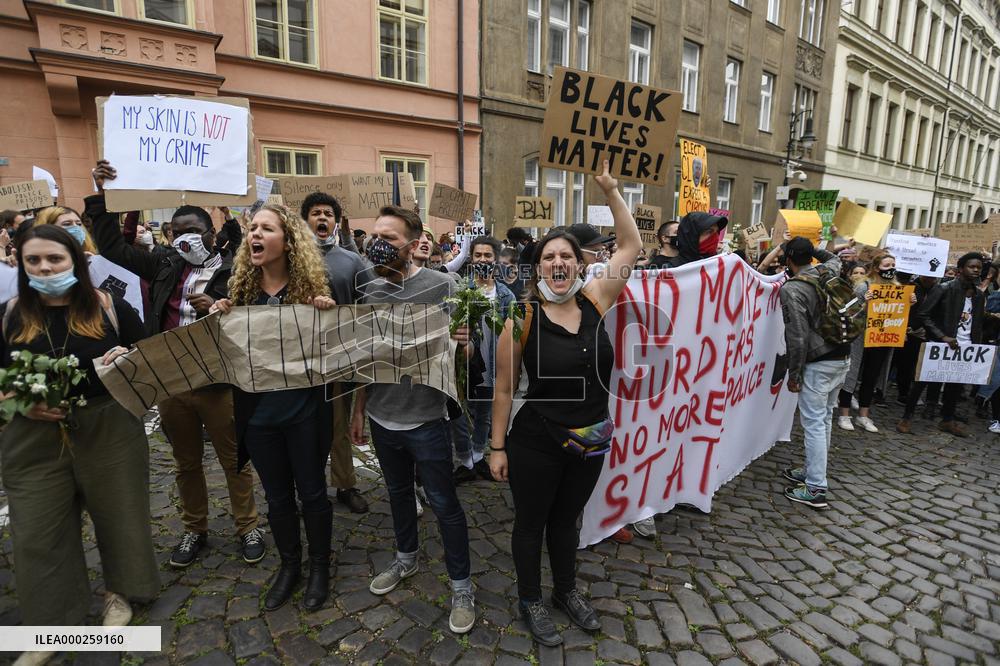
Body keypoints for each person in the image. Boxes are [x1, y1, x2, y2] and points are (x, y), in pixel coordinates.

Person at [489, 161, 641, 646]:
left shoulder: (597, 299)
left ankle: (565, 591)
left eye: (566, 256)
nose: (558, 263)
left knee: (566, 521)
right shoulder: (521, 316)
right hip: (537, 440)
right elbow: (504, 389)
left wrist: (611, 190)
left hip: (593, 437)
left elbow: (632, 246)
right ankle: (531, 598)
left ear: (579, 264)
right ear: (538, 267)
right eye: (549, 257)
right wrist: (496, 448)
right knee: (531, 523)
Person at [88, 160, 262, 567]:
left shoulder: (236, 270)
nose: (186, 238)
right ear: (169, 235)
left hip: (218, 382)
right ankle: (194, 529)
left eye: (195, 231)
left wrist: (223, 309)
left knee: (234, 459)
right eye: (178, 231)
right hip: (171, 382)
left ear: (211, 233)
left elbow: (256, 316)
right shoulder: (164, 264)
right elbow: (113, 247)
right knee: (185, 463)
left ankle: (247, 525)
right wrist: (105, 196)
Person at [1, 225, 159, 665]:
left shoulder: (110, 306)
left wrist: (126, 361)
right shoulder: (9, 314)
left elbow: (149, 358)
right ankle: (50, 627)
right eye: (34, 261)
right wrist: (15, 400)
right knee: (37, 531)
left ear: (75, 260)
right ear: (23, 266)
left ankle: (120, 593)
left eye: (55, 259)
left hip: (107, 424)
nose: (45, 268)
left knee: (120, 512)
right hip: (32, 438)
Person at [349, 204, 477, 635]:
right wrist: (358, 411)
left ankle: (461, 585)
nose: (378, 243)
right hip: (383, 417)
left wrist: (464, 342)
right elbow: (363, 356)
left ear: (415, 241)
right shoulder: (366, 286)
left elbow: (468, 356)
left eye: (389, 235)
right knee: (398, 492)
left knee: (443, 504)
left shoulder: (444, 284)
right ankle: (406, 558)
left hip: (427, 418)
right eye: (375, 235)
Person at [211, 204, 336, 612]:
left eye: (266, 228)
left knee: (313, 493)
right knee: (278, 498)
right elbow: (225, 357)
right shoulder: (239, 294)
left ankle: (320, 567)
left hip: (303, 415)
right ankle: (290, 566)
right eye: (252, 229)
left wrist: (328, 321)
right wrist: (218, 319)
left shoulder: (310, 293)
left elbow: (336, 354)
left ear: (288, 241)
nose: (255, 235)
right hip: (258, 419)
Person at [299, 192, 370, 514]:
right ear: (306, 220)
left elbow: (368, 303)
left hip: (338, 356)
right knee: (301, 427)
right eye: (316, 213)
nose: (322, 218)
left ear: (335, 221)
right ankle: (308, 487)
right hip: (299, 357)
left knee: (337, 425)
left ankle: (345, 484)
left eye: (328, 213)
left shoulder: (351, 261)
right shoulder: (292, 258)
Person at [779, 237, 853, 509]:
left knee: (813, 423)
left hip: (819, 361)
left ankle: (815, 488)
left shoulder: (793, 288)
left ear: (788, 260)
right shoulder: (828, 270)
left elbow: (797, 337)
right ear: (810, 256)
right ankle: (813, 471)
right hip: (842, 355)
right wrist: (812, 248)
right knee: (824, 419)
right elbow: (832, 257)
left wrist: (794, 375)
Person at [898, 252, 986, 437]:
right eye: (972, 266)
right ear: (960, 269)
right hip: (940, 344)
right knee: (921, 382)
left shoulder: (978, 295)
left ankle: (947, 420)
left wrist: (975, 344)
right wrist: (942, 336)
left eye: (979, 267)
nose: (976, 270)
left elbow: (976, 321)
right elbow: (924, 315)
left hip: (965, 346)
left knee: (955, 386)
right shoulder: (944, 288)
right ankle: (907, 418)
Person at [453, 236, 515, 484]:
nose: (482, 260)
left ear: (495, 259)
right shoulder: (461, 290)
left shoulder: (505, 295)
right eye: (478, 255)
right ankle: (465, 459)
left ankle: (478, 455)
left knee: (484, 414)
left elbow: (512, 333)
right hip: (466, 364)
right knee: (458, 413)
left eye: (487, 256)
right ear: (471, 258)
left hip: (493, 366)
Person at [837, 253, 912, 433]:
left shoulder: (897, 288)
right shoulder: (864, 286)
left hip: (881, 338)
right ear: (877, 268)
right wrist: (865, 302)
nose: (891, 268)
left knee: (872, 376)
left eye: (893, 265)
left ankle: (863, 415)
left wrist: (910, 303)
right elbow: (848, 311)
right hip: (861, 337)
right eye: (887, 265)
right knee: (852, 374)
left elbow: (897, 312)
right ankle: (844, 414)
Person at [660, 211, 728, 269]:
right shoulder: (671, 269)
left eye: (717, 232)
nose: (715, 237)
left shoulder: (721, 266)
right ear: (692, 236)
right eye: (709, 231)